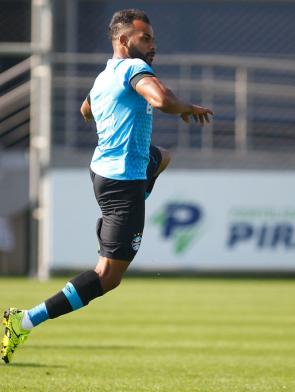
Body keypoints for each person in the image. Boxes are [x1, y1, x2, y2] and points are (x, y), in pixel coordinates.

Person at [1, 8, 213, 364]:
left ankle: (127, 213)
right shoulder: (133, 69)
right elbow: (160, 100)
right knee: (107, 277)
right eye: (145, 38)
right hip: (122, 185)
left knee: (162, 156)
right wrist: (185, 106)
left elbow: (86, 110)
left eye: (153, 39)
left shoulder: (105, 75)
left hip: (105, 171)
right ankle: (23, 320)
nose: (152, 45)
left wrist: (114, 118)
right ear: (124, 41)